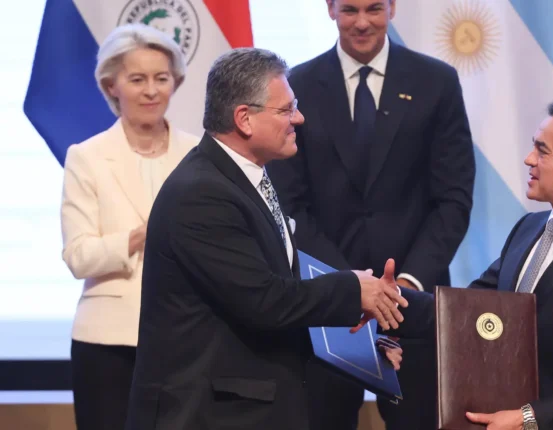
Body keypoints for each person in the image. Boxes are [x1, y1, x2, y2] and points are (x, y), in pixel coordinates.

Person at [124, 47, 408, 430]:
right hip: (211, 415)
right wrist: (354, 290)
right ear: (244, 118)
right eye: (286, 109)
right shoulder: (202, 193)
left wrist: (362, 348)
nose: (299, 118)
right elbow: (265, 301)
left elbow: (277, 292)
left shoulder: (241, 176)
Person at [387, 100, 553, 430]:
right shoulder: (529, 228)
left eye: (542, 151)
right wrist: (387, 300)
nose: (529, 159)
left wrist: (529, 419)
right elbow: (462, 311)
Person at [267, 0, 475, 429]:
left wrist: (406, 285)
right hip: (328, 304)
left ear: (393, 8)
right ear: (330, 9)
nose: (362, 22)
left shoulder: (436, 82)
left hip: (413, 303)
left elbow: (453, 199)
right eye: (350, 10)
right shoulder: (296, 87)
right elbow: (290, 205)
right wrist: (350, 287)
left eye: (374, 8)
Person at [60, 23, 198, 430]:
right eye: (137, 79)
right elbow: (78, 256)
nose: (151, 91)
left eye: (162, 78)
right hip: (107, 343)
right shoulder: (86, 157)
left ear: (176, 82)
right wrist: (142, 235)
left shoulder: (199, 154)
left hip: (187, 338)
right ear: (111, 85)